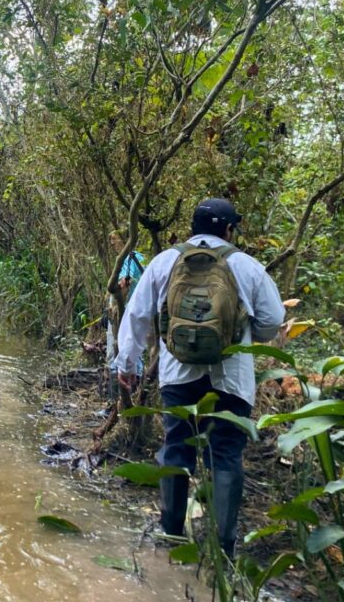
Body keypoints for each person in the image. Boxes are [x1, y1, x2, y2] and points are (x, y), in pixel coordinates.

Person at [116, 198, 285, 558]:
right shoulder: (247, 265)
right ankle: (223, 548)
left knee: (177, 447)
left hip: (178, 374)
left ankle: (171, 536)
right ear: (229, 229)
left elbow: (137, 314)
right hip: (232, 378)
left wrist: (126, 364)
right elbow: (271, 322)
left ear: (191, 228)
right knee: (225, 453)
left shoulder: (165, 261)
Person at [105, 230, 146, 381]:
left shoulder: (130, 259)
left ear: (125, 240)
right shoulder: (139, 258)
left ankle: (117, 379)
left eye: (114, 239)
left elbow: (124, 284)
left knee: (120, 341)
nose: (112, 243)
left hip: (125, 307)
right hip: (137, 307)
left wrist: (114, 305)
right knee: (134, 342)